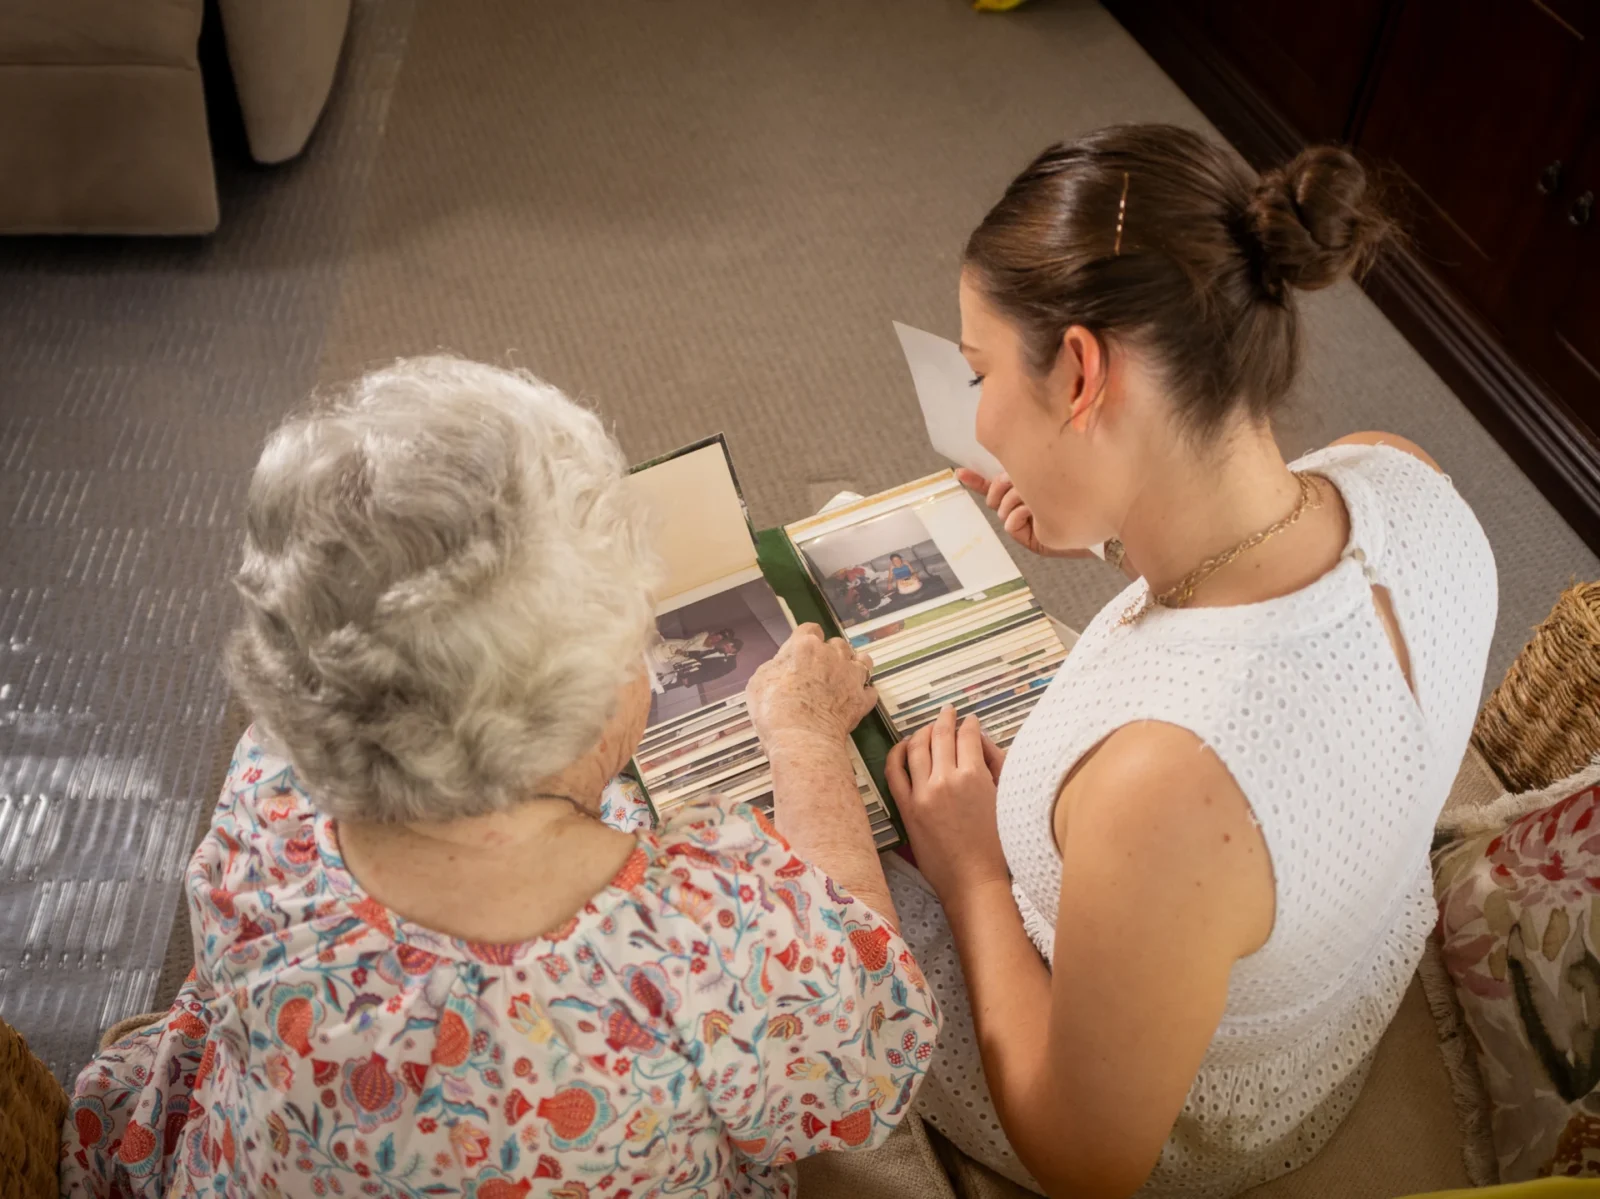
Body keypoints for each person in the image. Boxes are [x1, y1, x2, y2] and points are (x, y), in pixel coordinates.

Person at [60, 357, 938, 1199]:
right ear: (582, 706)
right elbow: (864, 1036)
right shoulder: (706, 936)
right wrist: (806, 736)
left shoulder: (268, 789)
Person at [877, 125, 1497, 1198]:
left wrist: (973, 868)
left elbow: (1089, 1156)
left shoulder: (1166, 785)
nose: (974, 415)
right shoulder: (1401, 474)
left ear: (1080, 371)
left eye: (979, 370)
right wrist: (1106, 528)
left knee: (820, 857)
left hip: (1181, 1122)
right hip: (1321, 989)